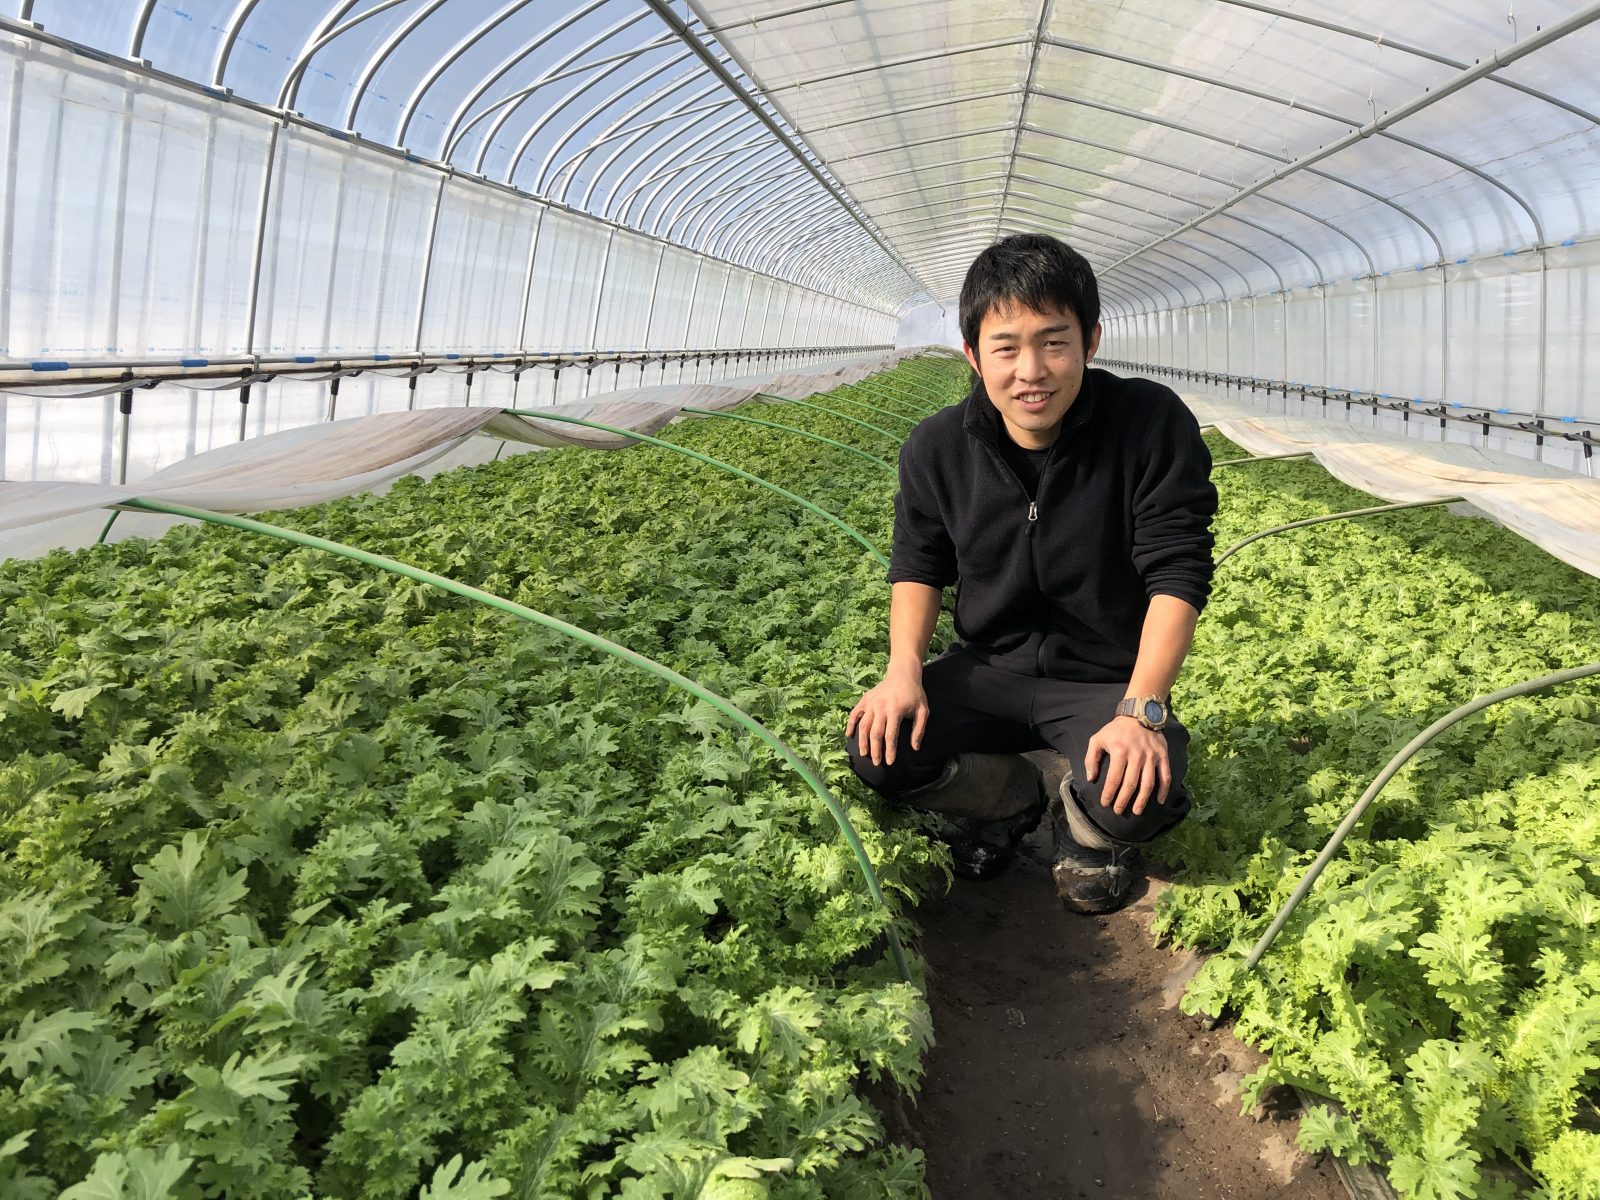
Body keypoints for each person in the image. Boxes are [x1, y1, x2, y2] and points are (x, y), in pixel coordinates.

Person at [844, 233, 1217, 914]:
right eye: (1006, 347)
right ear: (972, 354)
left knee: (1143, 792)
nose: (1032, 371)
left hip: (1103, 679)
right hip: (988, 670)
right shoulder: (936, 448)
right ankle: (1006, 795)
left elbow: (1178, 570)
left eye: (1054, 341)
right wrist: (902, 672)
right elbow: (918, 565)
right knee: (880, 751)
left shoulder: (1149, 425)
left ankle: (1080, 828)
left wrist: (1141, 709)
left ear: (1091, 341)